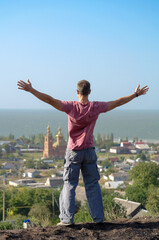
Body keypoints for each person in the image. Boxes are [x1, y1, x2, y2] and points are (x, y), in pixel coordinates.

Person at [17, 79, 149, 225]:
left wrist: (31, 90)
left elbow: (49, 100)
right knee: (92, 184)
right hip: (89, 152)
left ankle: (67, 220)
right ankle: (98, 219)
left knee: (69, 184)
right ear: (90, 92)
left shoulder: (70, 107)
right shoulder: (96, 107)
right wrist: (135, 94)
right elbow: (117, 102)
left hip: (73, 152)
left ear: (77, 92)